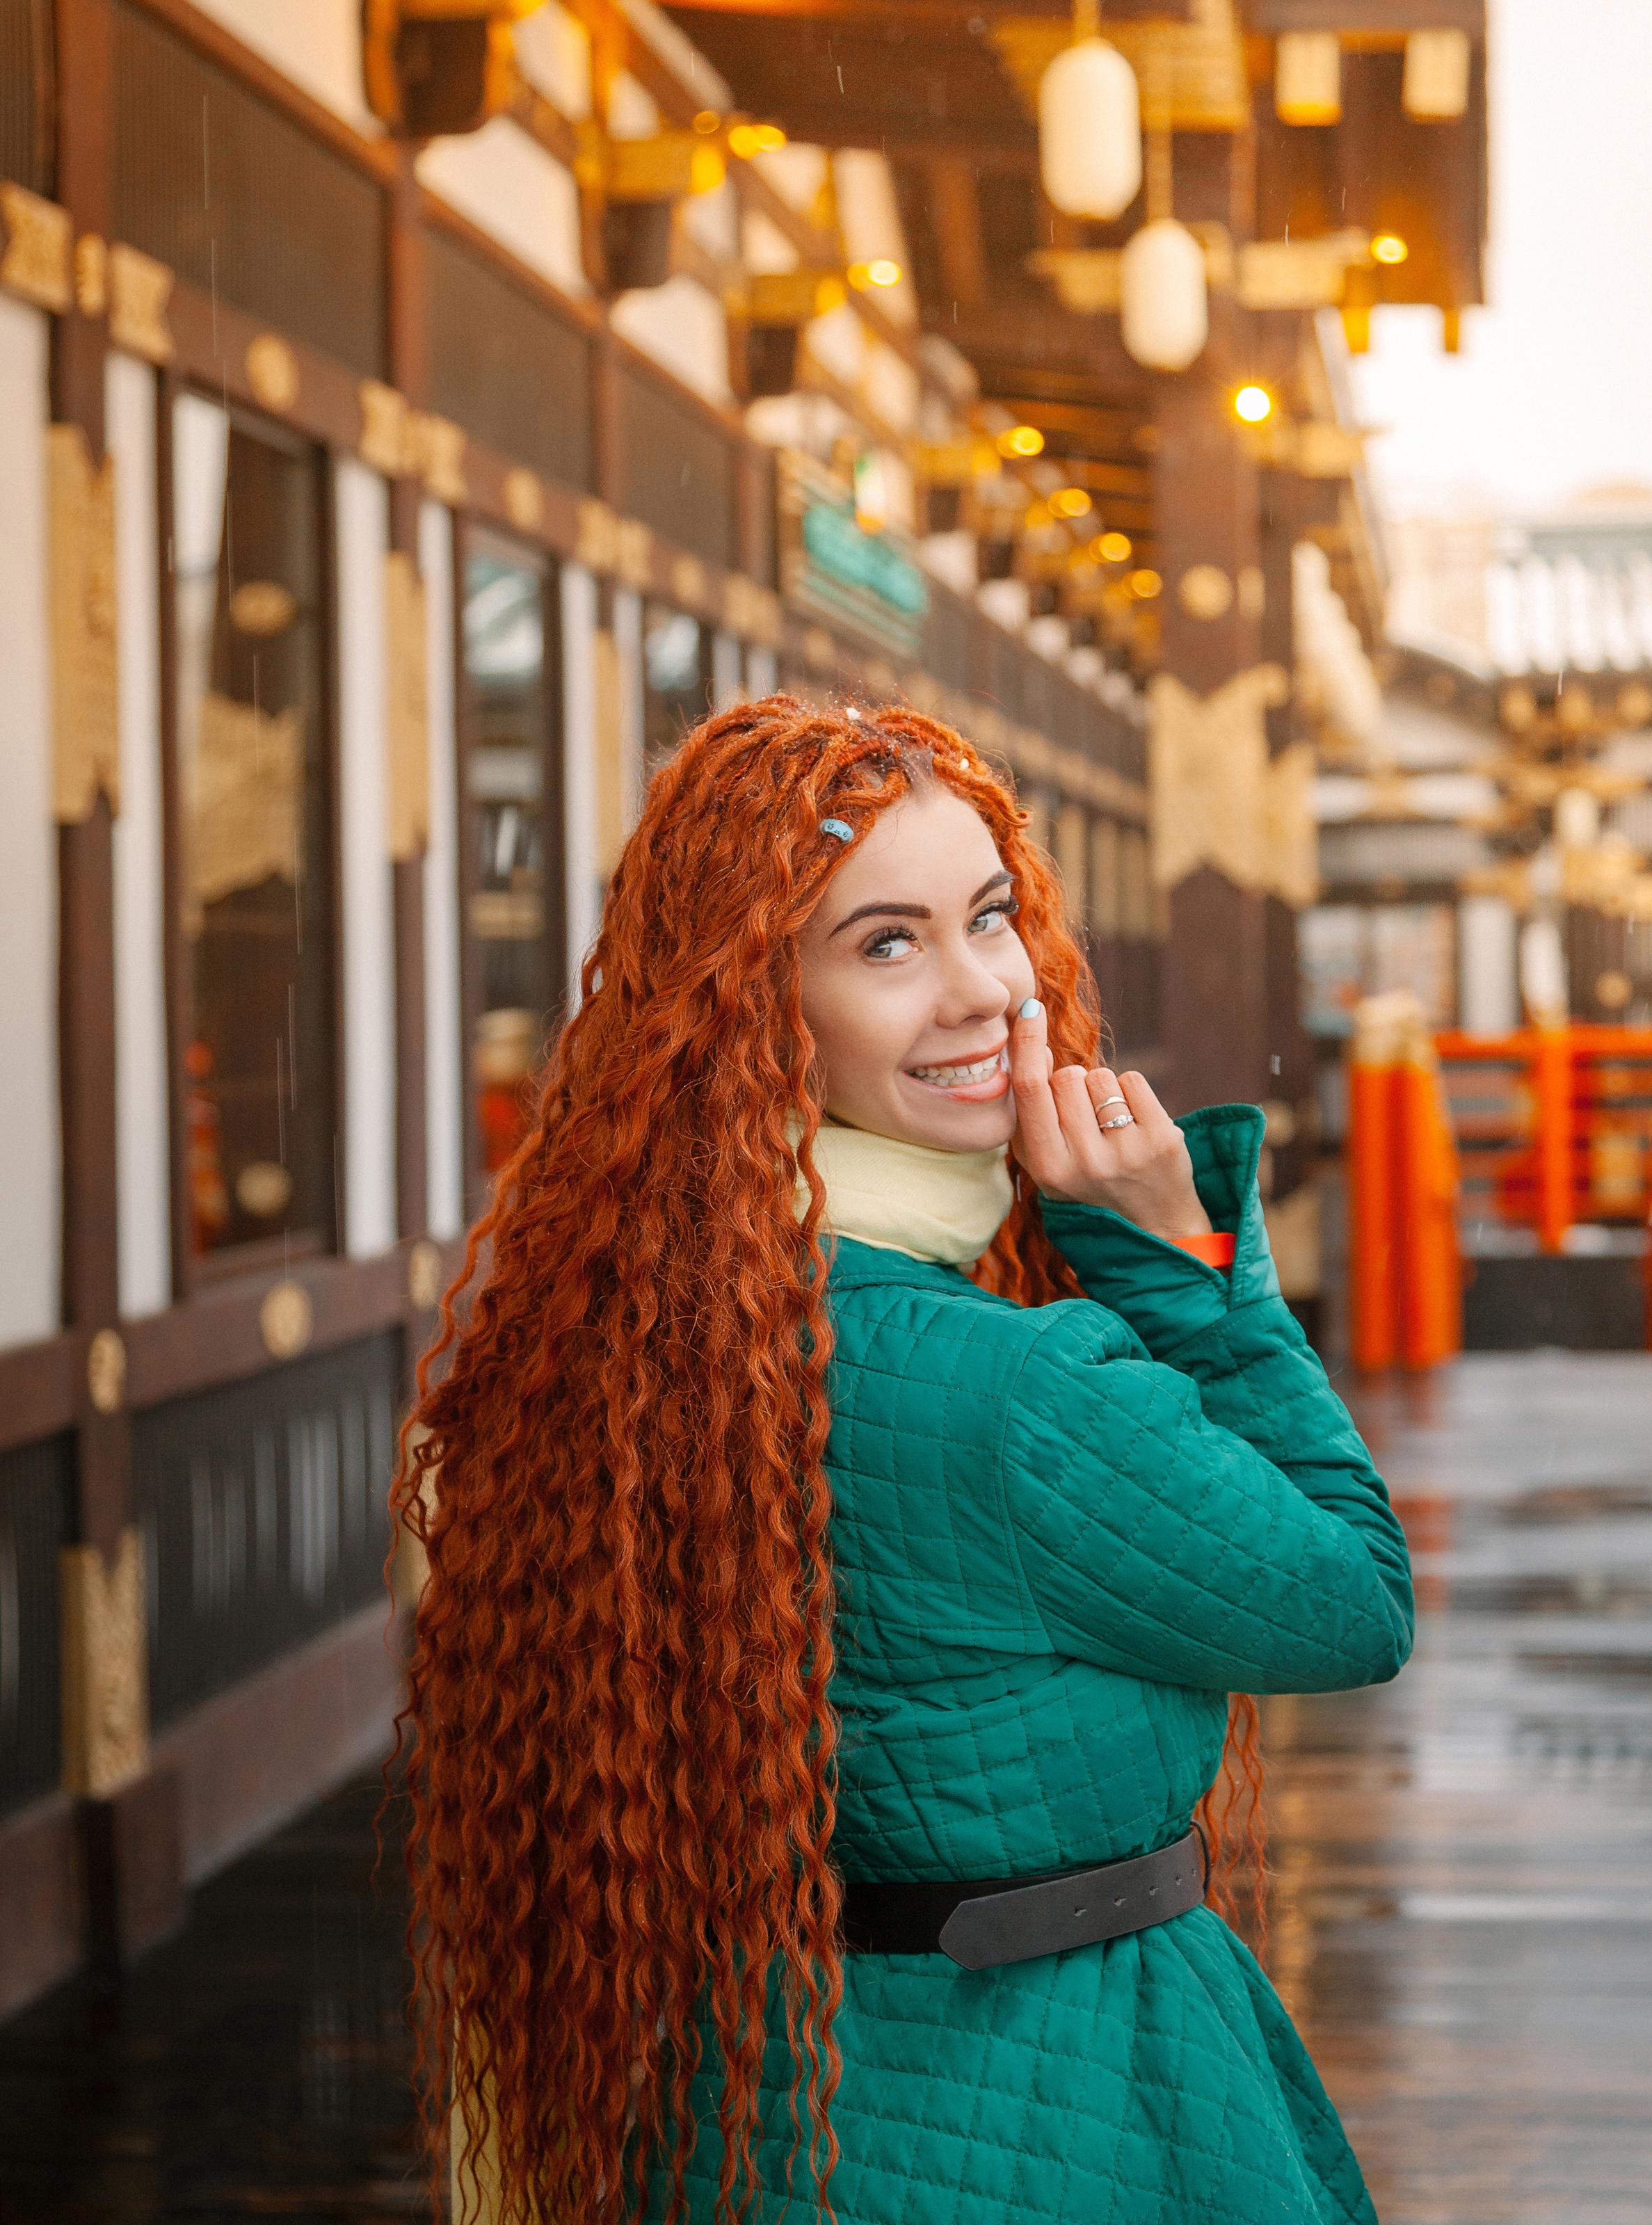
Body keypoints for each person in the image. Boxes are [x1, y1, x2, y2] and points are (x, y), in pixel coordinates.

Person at [397, 696, 1413, 2225]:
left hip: (740, 2108)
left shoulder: (616, 1331)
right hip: (1067, 2097)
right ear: (760, 1002)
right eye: (886, 943)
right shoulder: (1015, 1383)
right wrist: (1176, 1261)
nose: (984, 992)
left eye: (988, 918)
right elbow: (1349, 1598)